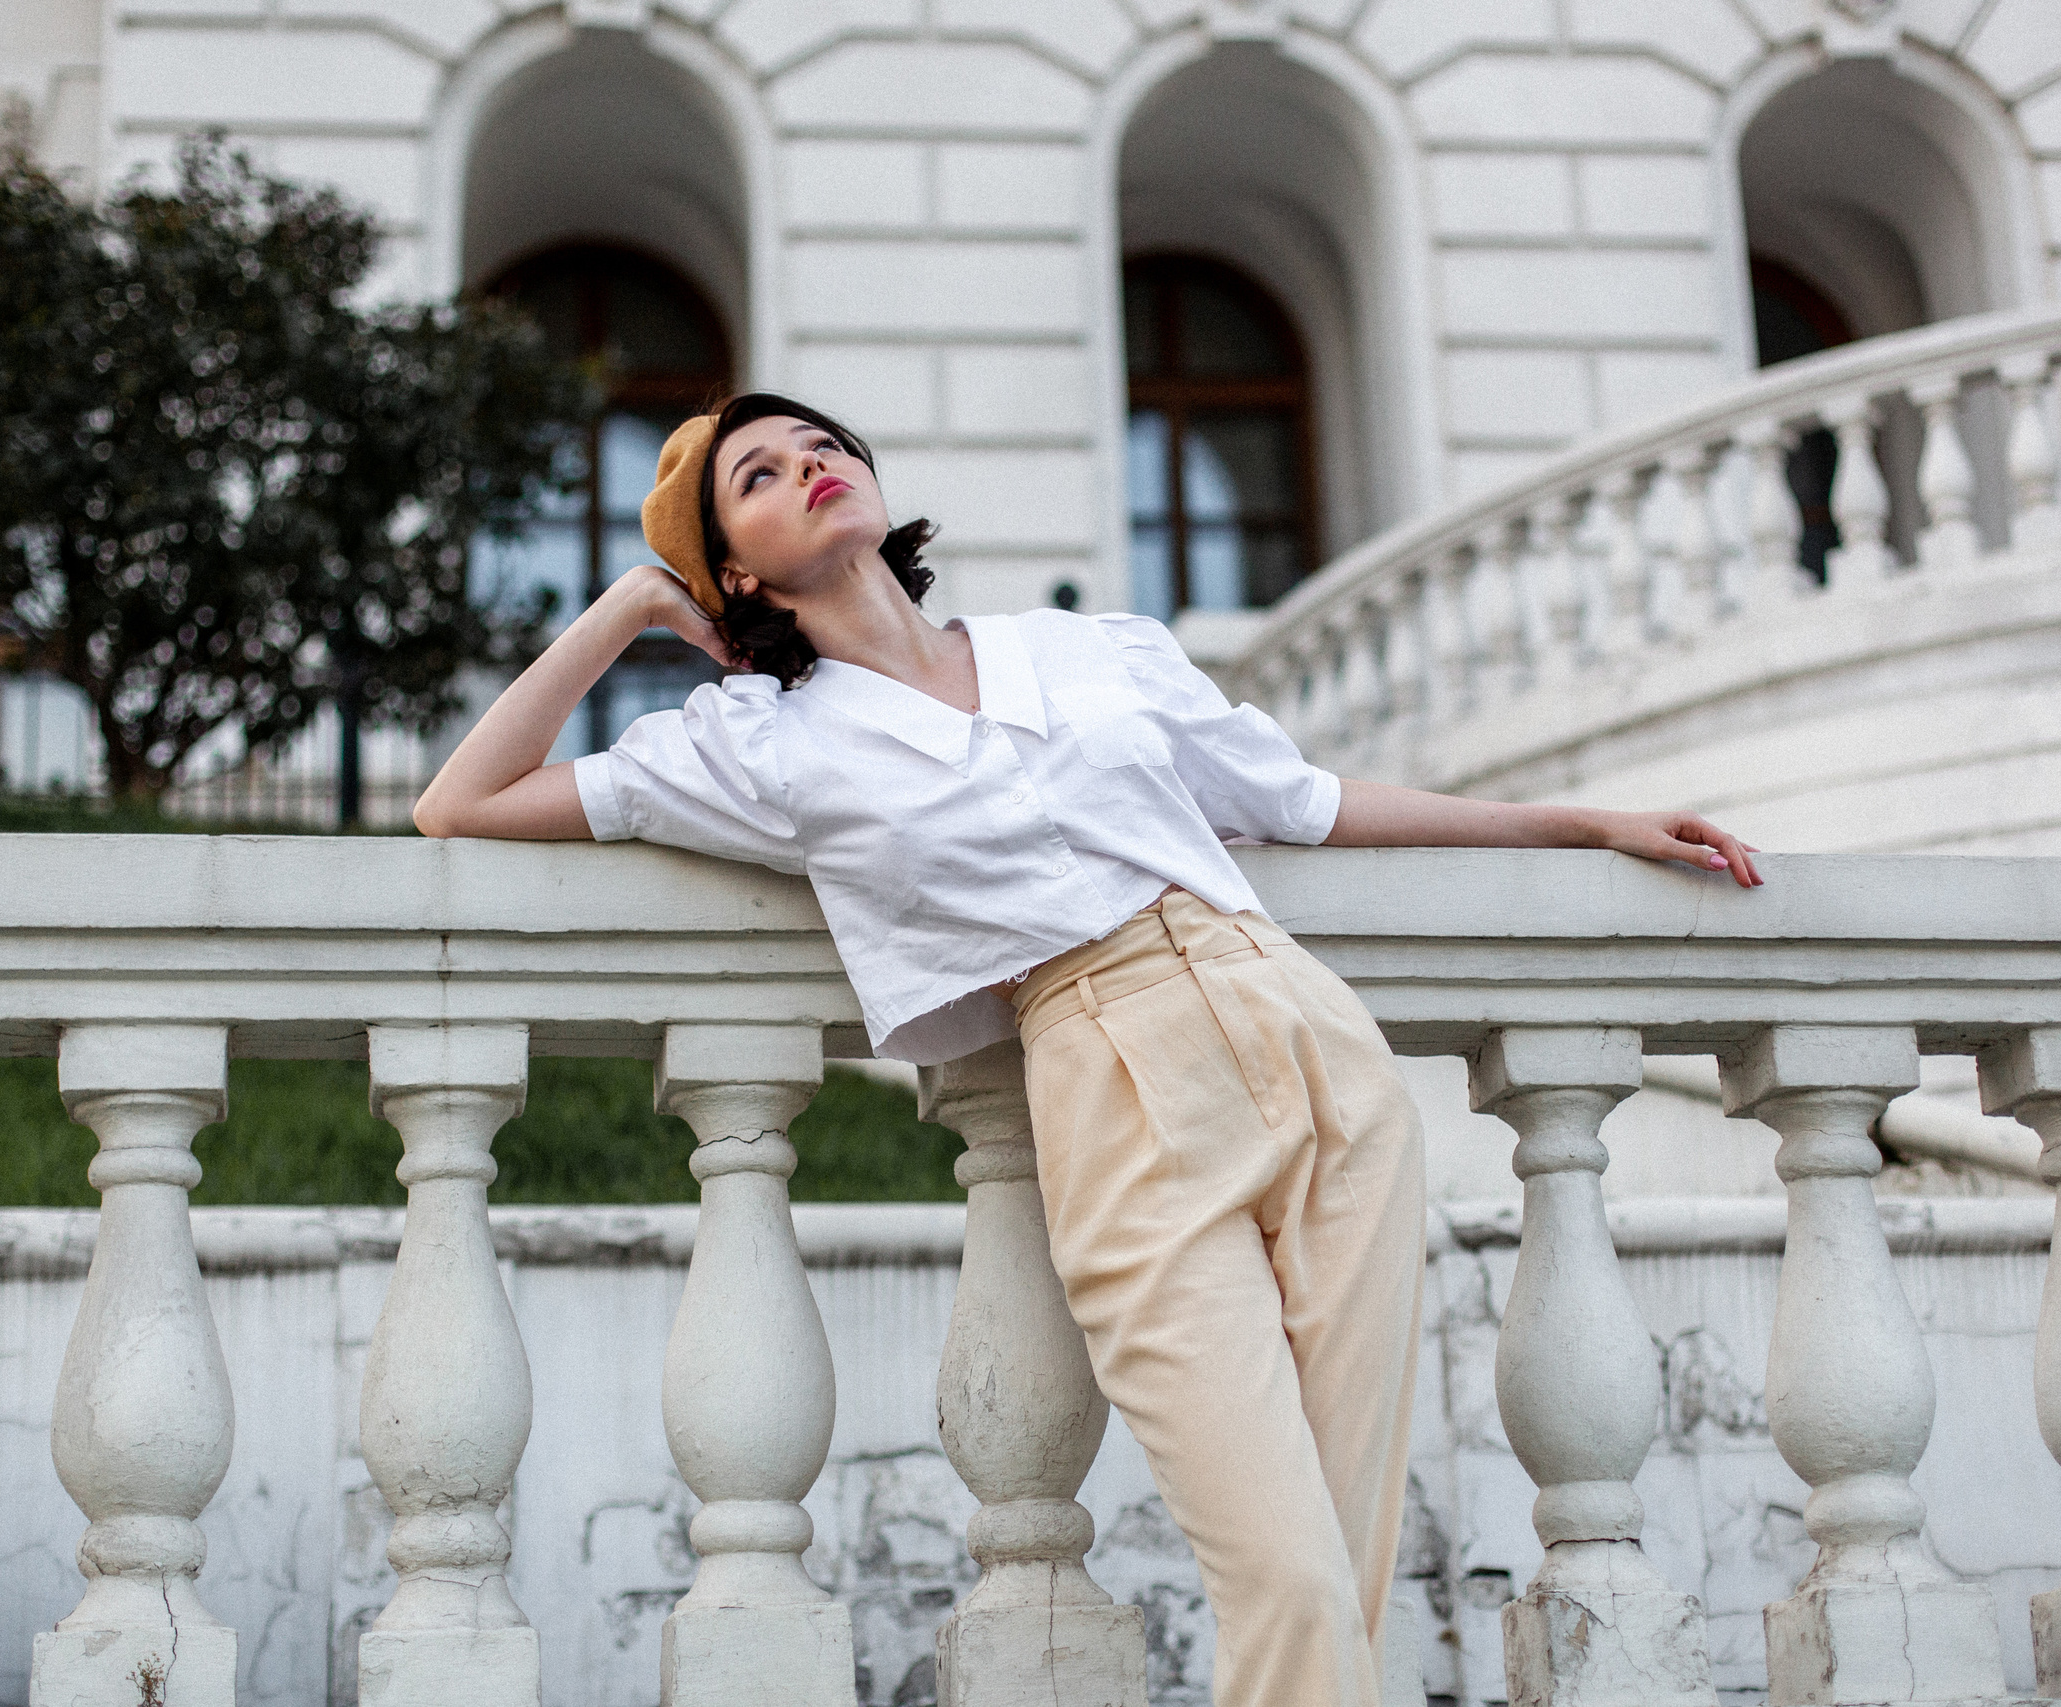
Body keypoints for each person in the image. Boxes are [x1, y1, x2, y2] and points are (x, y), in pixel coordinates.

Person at [414, 392, 1761, 1707]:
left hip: (1306, 1041)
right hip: (1108, 1087)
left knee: (1346, 1569)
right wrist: (636, 609)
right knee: (1285, 1578)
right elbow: (459, 802)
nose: (808, 463)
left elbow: (1300, 802)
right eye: (755, 476)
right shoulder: (758, 746)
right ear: (731, 576)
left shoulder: (1086, 647)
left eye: (822, 442)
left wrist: (1582, 825)